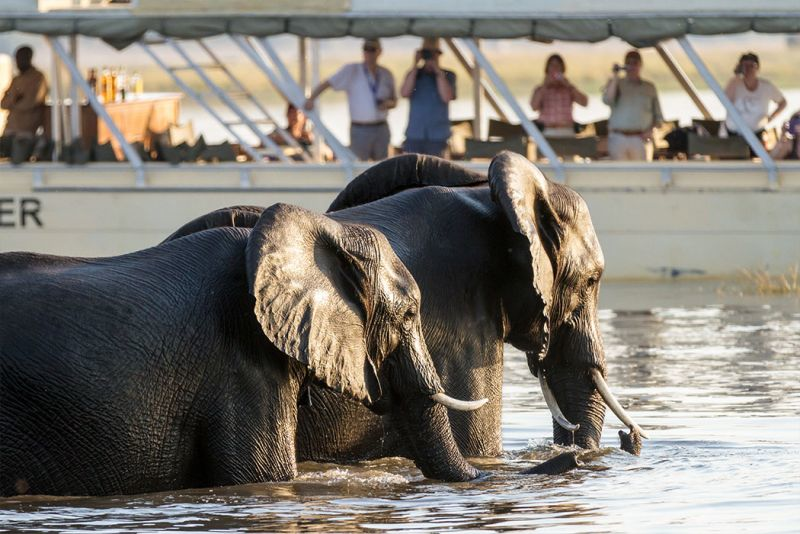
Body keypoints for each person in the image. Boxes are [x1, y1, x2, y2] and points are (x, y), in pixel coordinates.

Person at [304, 38, 396, 161]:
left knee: (383, 166)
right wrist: (311, 99)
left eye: (372, 49)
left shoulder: (386, 74)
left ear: (379, 52)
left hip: (381, 128)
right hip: (360, 129)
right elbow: (327, 83)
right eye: (366, 49)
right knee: (359, 165)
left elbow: (395, 100)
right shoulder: (351, 70)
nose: (369, 53)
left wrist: (387, 104)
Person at [602, 50, 663, 161]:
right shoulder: (617, 84)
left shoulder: (649, 87)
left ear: (640, 65)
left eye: (635, 63)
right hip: (618, 137)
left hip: (640, 138)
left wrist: (650, 131)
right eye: (628, 63)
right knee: (620, 173)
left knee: (642, 173)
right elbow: (607, 100)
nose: (631, 66)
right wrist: (615, 76)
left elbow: (658, 117)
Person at [400, 37, 456, 157]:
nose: (430, 56)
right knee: (411, 171)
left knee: (436, 172)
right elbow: (404, 93)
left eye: (433, 53)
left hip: (438, 135)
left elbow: (446, 97)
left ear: (439, 54)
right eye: (427, 53)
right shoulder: (414, 74)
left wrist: (437, 71)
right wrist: (415, 65)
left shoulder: (448, 75)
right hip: (415, 134)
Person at [723, 52, 787, 138]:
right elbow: (725, 100)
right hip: (734, 134)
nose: (748, 69)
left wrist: (770, 118)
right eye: (745, 66)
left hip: (757, 133)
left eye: (752, 66)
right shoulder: (734, 84)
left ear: (758, 68)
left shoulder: (766, 86)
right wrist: (737, 75)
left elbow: (783, 103)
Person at [530, 54, 588, 136]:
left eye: (558, 66)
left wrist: (569, 86)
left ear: (562, 69)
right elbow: (533, 107)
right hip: (547, 131)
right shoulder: (540, 89)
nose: (555, 69)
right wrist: (544, 86)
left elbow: (584, 103)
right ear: (547, 70)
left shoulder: (569, 89)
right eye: (552, 66)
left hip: (566, 130)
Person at [1, 46, 48, 138]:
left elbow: (30, 102)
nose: (18, 62)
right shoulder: (17, 79)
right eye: (17, 58)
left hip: (26, 130)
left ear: (29, 58)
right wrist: (16, 99)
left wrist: (13, 101)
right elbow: (4, 104)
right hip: (10, 128)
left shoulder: (37, 78)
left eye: (21, 58)